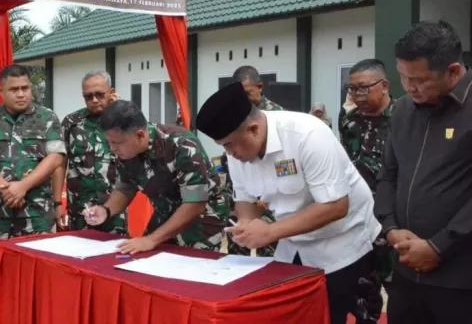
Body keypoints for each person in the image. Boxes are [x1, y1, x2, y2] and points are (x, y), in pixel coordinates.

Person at [196, 82, 380, 324]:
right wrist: (246, 223)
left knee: (331, 314)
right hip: (292, 243)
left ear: (253, 129)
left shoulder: (307, 134)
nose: (229, 154)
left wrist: (269, 232)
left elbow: (335, 206)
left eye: (229, 145)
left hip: (343, 242)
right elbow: (245, 199)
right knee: (292, 311)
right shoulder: (238, 153)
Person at [375, 20, 472, 323]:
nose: (409, 87)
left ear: (453, 72)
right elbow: (389, 174)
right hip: (406, 272)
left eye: (419, 80)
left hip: (460, 279)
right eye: (403, 76)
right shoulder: (402, 111)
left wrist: (438, 246)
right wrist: (390, 228)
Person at [84, 100, 228, 254]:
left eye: (116, 143)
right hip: (165, 212)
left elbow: (195, 203)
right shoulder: (127, 150)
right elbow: (126, 188)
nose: (112, 149)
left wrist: (151, 240)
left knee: (192, 266)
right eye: (109, 143)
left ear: (139, 135)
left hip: (202, 216)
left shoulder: (181, 144)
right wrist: (106, 211)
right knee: (143, 257)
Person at [0, 64, 66, 241]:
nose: (21, 94)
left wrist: (23, 186)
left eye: (25, 88)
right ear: (1, 91)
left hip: (39, 214)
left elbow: (55, 157)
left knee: (40, 265)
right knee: (4, 265)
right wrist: (6, 189)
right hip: (1, 214)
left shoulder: (47, 118)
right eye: (14, 89)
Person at [339, 59, 394, 324]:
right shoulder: (349, 122)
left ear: (384, 86)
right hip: (359, 218)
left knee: (398, 286)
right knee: (364, 290)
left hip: (393, 219)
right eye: (352, 89)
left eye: (363, 88)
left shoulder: (405, 117)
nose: (357, 95)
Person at [53, 71, 127, 235]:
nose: (94, 100)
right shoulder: (72, 123)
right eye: (88, 96)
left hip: (114, 207)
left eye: (100, 95)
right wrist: (57, 203)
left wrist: (119, 111)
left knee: (115, 255)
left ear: (112, 92)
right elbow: (60, 163)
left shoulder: (123, 120)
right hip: (81, 209)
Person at [221, 65, 283, 258]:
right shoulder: (232, 116)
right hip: (243, 191)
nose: (244, 99)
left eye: (248, 93)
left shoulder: (276, 116)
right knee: (238, 242)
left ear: (260, 87)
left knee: (270, 251)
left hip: (270, 195)